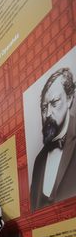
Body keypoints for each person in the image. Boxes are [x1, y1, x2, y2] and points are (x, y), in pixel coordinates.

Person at [29, 67, 76, 211]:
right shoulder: (39, 161)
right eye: (44, 108)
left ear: (69, 99)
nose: (48, 113)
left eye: (55, 102)